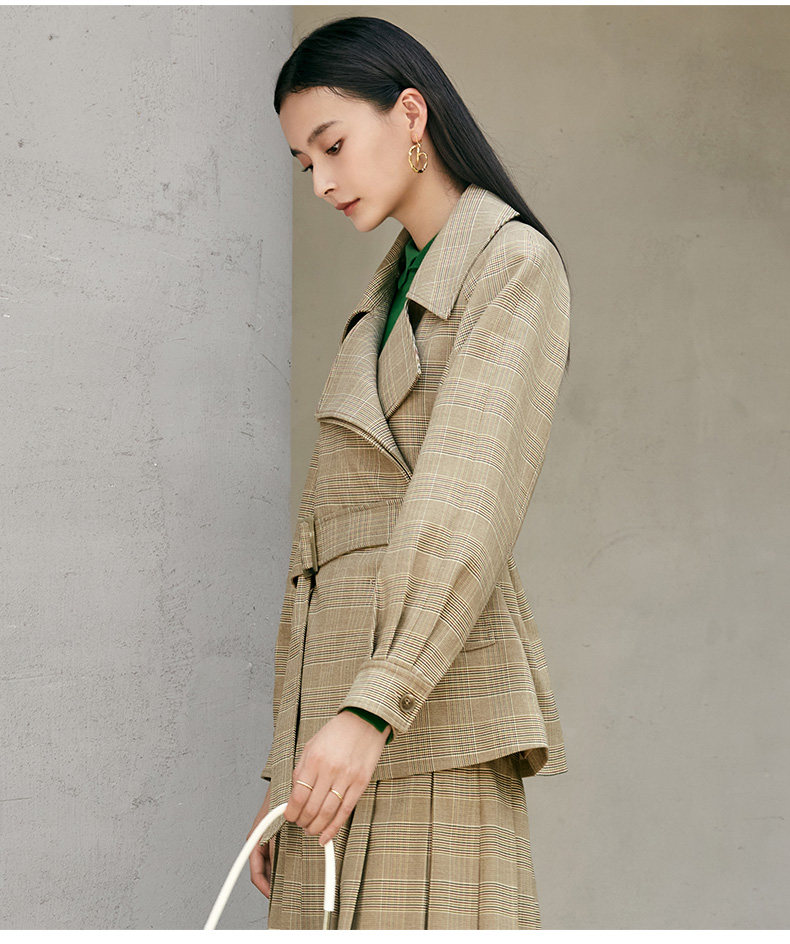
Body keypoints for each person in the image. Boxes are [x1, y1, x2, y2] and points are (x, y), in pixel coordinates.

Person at [246, 15, 572, 930]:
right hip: (338, 728)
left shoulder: (511, 265)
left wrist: (373, 709)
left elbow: (465, 504)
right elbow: (319, 555)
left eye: (333, 145)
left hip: (426, 710)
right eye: (304, 163)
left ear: (412, 113)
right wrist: (286, 765)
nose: (321, 182)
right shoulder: (387, 297)